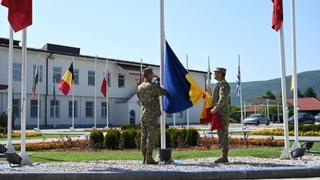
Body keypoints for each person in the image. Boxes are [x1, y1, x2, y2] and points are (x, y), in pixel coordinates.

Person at [137, 68, 166, 164]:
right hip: (152, 115)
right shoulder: (152, 86)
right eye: (152, 75)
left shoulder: (140, 87)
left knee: (143, 136)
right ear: (148, 75)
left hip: (143, 114)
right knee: (151, 137)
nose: (153, 76)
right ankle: (149, 158)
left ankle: (144, 158)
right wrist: (161, 86)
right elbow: (163, 92)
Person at [210, 67, 230, 163]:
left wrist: (215, 108)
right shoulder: (220, 84)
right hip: (219, 113)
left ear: (221, 74)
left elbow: (223, 98)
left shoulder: (223, 84)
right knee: (221, 134)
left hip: (222, 114)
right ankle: (223, 155)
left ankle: (224, 156)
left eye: (216, 73)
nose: (214, 74)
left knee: (223, 134)